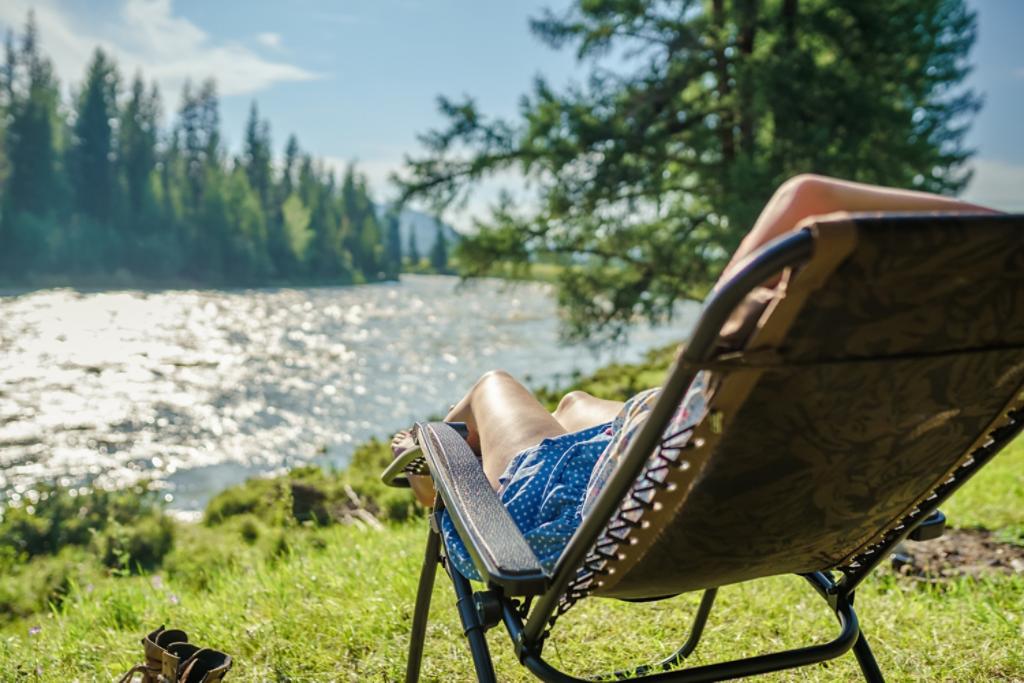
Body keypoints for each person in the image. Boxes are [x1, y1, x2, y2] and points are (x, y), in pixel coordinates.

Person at [391, 174, 998, 580]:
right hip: (781, 509)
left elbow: (808, 194)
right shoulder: (885, 391)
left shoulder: (743, 352)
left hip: (577, 528)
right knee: (575, 401)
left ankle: (438, 485)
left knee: (487, 388)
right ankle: (442, 479)